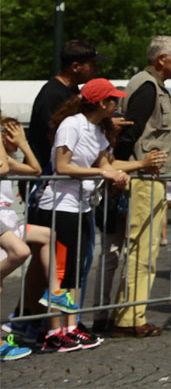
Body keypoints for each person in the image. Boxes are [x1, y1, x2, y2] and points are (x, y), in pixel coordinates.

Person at [31, 78, 156, 351]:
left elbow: (105, 164)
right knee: (61, 270)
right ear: (101, 102)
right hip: (60, 205)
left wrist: (120, 174)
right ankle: (54, 331)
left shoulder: (98, 130)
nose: (117, 104)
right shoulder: (72, 125)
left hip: (83, 205)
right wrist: (104, 172)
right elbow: (62, 166)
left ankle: (71, 326)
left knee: (77, 270)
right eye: (113, 99)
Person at [108, 36, 171, 338]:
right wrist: (125, 170)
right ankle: (129, 318)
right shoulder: (147, 86)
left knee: (145, 249)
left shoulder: (150, 85)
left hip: (149, 176)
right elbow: (128, 133)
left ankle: (131, 313)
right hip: (143, 177)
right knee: (142, 249)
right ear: (161, 59)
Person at [27, 41, 103, 183]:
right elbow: (54, 134)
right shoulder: (52, 94)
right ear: (75, 67)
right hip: (47, 178)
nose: (97, 69)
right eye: (92, 64)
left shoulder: (74, 91)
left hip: (64, 179)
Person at [0, 117, 39, 361]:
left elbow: (35, 169)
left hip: (7, 219)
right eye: (11, 134)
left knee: (47, 235)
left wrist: (24, 144)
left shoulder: (7, 158)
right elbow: (3, 169)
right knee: (20, 252)